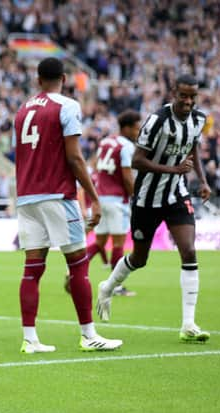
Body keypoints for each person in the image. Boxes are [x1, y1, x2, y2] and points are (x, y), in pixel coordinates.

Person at [13, 57, 123, 354]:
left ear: (37, 80)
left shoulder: (22, 110)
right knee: (77, 264)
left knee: (32, 270)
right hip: (57, 195)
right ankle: (88, 334)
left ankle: (30, 338)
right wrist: (94, 197)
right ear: (64, 78)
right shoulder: (67, 106)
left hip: (26, 197)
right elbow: (74, 157)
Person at [97, 74, 212, 343]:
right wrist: (173, 169)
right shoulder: (156, 120)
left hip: (176, 195)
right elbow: (137, 161)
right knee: (139, 259)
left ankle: (188, 324)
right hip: (147, 198)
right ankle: (108, 286)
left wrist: (203, 181)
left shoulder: (198, 119)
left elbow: (193, 148)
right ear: (174, 92)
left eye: (192, 96)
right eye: (183, 95)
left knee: (189, 250)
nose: (188, 101)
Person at [86, 109, 142, 296]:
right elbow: (127, 177)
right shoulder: (126, 146)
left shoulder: (105, 142)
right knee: (119, 243)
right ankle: (115, 286)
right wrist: (136, 197)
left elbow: (95, 166)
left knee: (100, 241)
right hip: (117, 199)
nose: (138, 131)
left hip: (100, 198)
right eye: (135, 128)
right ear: (126, 128)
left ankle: (73, 271)